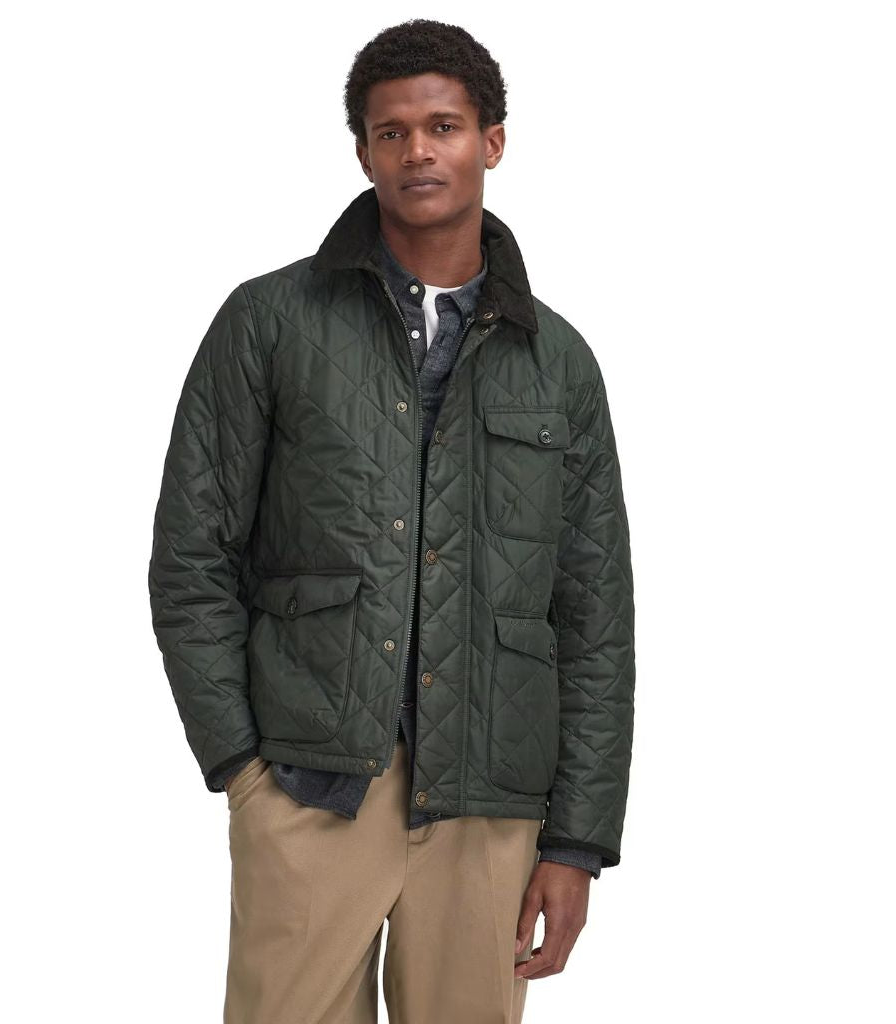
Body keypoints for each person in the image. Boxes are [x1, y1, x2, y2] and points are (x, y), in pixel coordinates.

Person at [148, 18, 636, 1024]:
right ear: (364, 152)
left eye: (443, 126)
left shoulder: (559, 363)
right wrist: (241, 766)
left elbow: (594, 614)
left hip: (490, 803)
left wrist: (576, 841)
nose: (418, 150)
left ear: (491, 141)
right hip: (306, 784)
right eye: (391, 131)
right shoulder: (269, 322)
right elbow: (193, 556)